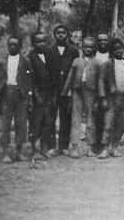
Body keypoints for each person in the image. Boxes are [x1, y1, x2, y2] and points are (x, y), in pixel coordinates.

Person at [62, 37, 104, 158]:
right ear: (82, 47)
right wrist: (65, 92)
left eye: (90, 47)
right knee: (75, 119)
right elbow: (70, 78)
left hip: (91, 92)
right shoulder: (76, 61)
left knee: (90, 121)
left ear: (94, 48)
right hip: (77, 91)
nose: (87, 49)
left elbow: (100, 81)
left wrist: (99, 97)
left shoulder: (98, 62)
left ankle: (90, 148)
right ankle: (74, 148)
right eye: (85, 47)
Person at [0, 36, 32, 163]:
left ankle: (19, 151)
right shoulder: (3, 62)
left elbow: (29, 80)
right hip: (6, 93)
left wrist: (28, 96)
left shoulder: (25, 61)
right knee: (5, 124)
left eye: (15, 45)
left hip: (20, 94)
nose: (12, 47)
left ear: (20, 47)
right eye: (10, 45)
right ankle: (5, 152)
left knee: (21, 123)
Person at [47, 25, 79, 157]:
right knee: (50, 118)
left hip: (67, 89)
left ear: (67, 35)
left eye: (63, 33)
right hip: (52, 89)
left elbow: (76, 71)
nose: (60, 35)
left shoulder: (73, 51)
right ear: (54, 35)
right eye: (58, 33)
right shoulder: (48, 51)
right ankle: (51, 146)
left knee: (65, 117)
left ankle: (64, 146)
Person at [99, 38, 124, 159]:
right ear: (111, 51)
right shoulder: (107, 63)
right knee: (108, 124)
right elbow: (101, 81)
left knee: (121, 124)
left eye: (120, 48)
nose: (118, 51)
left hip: (123, 98)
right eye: (115, 49)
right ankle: (105, 149)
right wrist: (103, 98)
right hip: (111, 98)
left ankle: (114, 146)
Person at [28, 32, 56, 159]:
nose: (42, 44)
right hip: (37, 95)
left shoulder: (49, 56)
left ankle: (44, 148)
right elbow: (30, 80)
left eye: (44, 41)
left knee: (47, 122)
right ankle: (35, 149)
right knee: (36, 123)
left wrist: (54, 95)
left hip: (48, 94)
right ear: (33, 44)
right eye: (38, 41)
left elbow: (54, 78)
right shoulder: (30, 58)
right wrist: (36, 95)